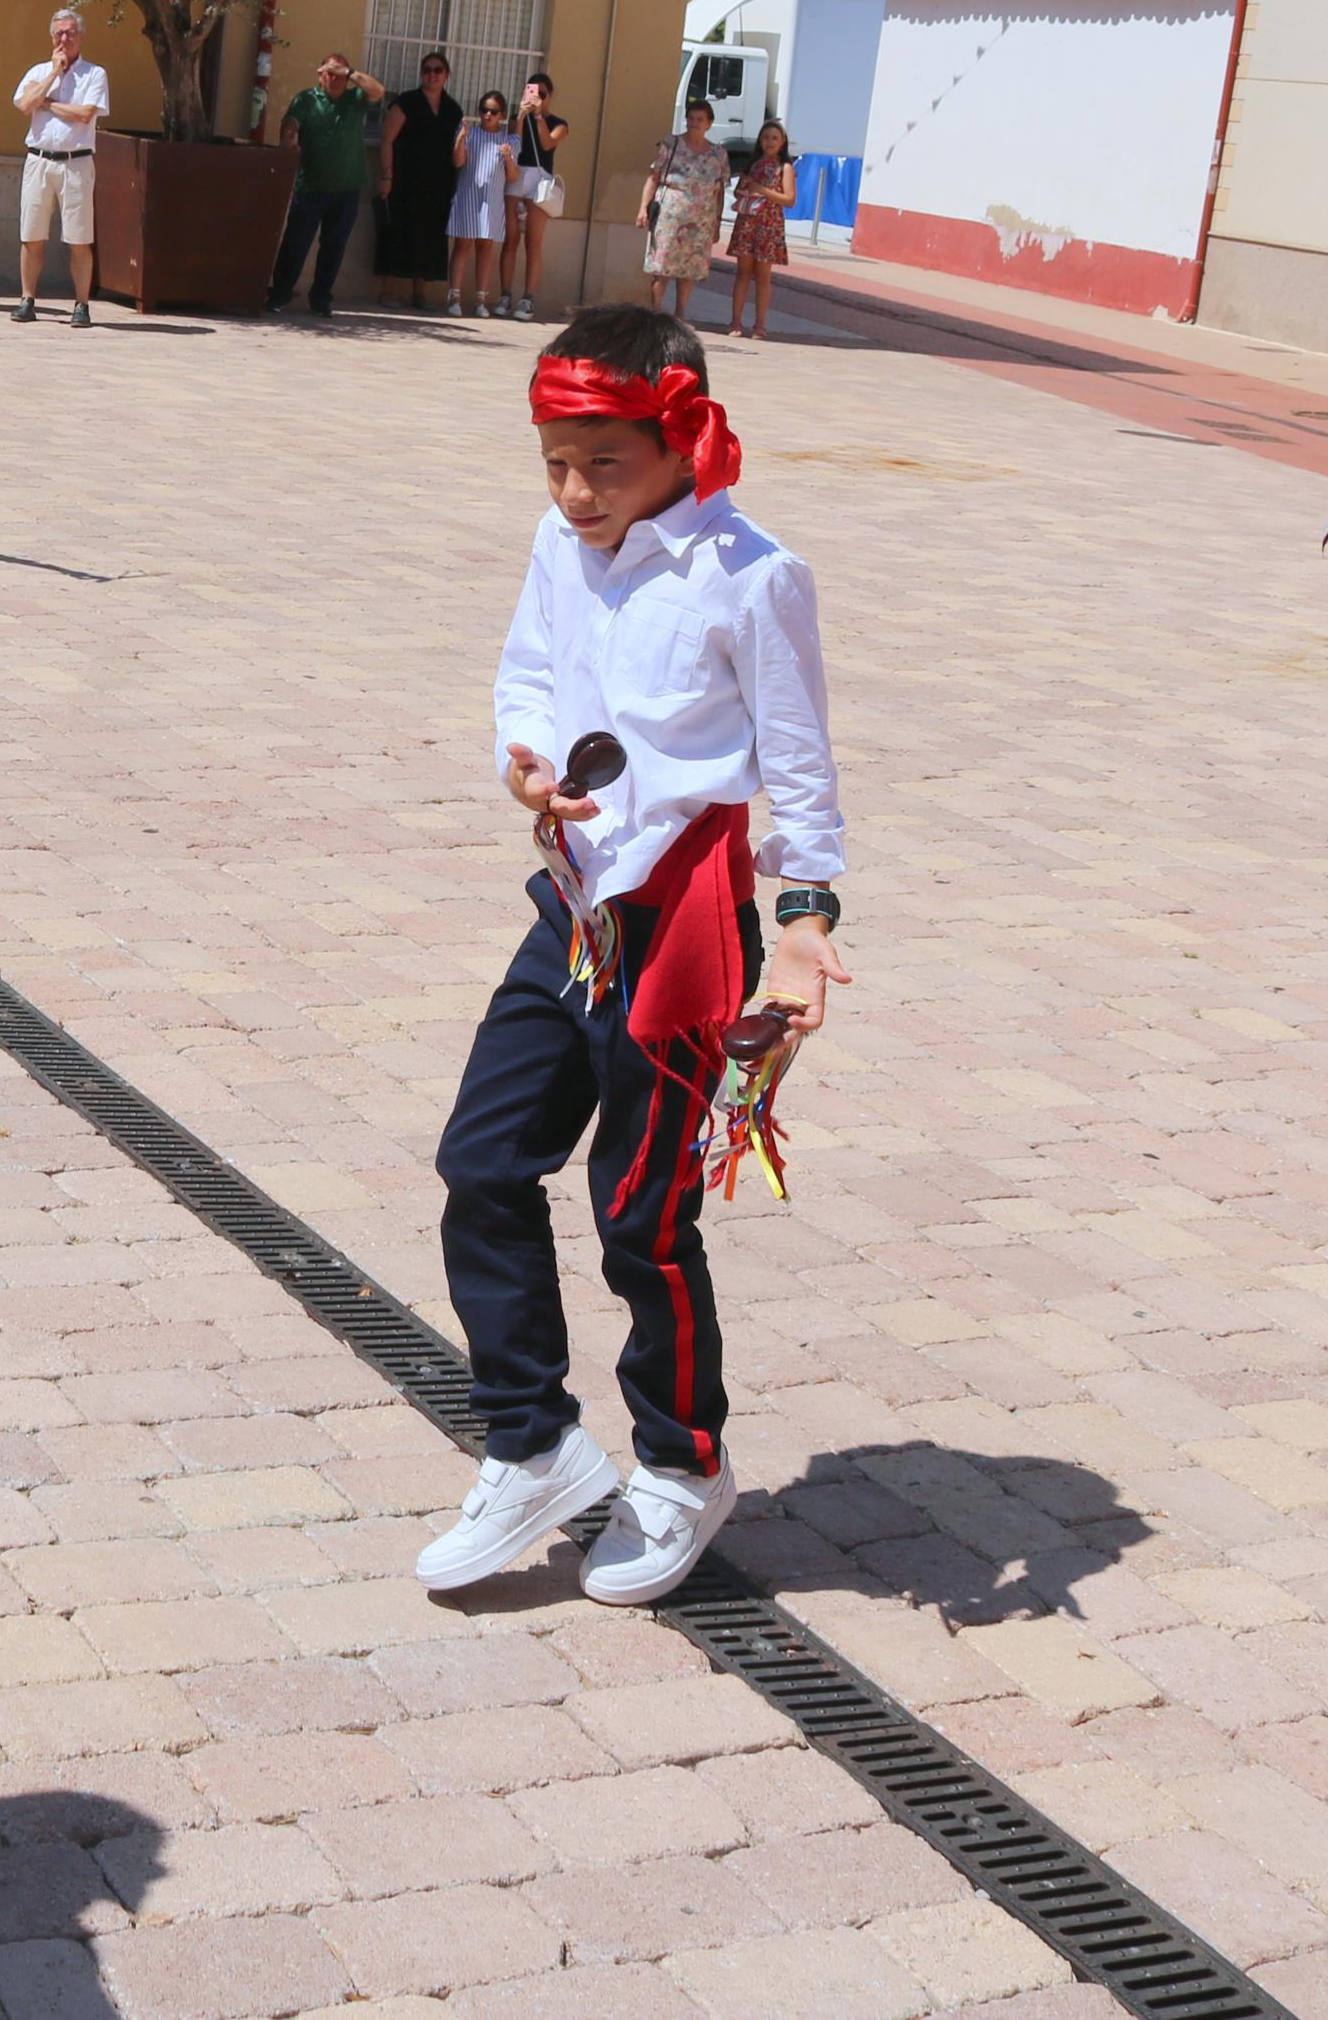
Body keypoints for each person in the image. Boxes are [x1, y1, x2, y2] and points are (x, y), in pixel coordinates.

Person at [423, 304, 846, 1609]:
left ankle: (680, 1459)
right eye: (552, 457)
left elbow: (796, 765)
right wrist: (528, 758)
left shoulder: (750, 574)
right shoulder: (561, 544)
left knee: (637, 1213)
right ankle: (531, 1438)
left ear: (681, 433)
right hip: (577, 912)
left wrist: (804, 923)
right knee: (479, 1158)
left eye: (601, 460)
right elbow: (529, 672)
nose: (571, 488)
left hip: (686, 927)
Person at [261, 50, 382, 317]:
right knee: (296, 243)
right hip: (310, 187)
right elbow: (291, 123)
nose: (334, 78)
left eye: (340, 74)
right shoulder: (306, 99)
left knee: (334, 246)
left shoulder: (355, 99)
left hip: (347, 188)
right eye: (330, 72)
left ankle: (321, 300)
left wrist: (350, 73)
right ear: (320, 75)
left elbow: (377, 91)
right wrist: (288, 139)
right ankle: (279, 295)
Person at [12, 8, 111, 328]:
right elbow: (25, 104)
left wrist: (48, 104)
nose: (64, 39)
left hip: (76, 163)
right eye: (58, 34)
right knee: (32, 235)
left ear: (81, 36)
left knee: (79, 238)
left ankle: (81, 304)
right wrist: (53, 75)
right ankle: (27, 299)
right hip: (38, 161)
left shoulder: (95, 74)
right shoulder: (38, 71)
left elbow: (85, 114)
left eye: (70, 33)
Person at [377, 51, 463, 303]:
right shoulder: (406, 102)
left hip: (438, 184)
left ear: (446, 75)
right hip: (404, 180)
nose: (432, 75)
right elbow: (386, 140)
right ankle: (386, 292)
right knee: (396, 233)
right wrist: (386, 175)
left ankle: (419, 294)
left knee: (429, 236)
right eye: (427, 69)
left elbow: (457, 150)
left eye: (438, 70)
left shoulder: (452, 109)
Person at [640, 100, 728, 319]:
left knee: (690, 267)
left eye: (700, 119)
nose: (694, 123)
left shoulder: (718, 154)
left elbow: (720, 190)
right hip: (670, 214)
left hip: (701, 219)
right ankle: (656, 313)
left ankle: (680, 314)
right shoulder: (672, 144)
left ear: (709, 123)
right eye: (691, 118)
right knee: (662, 265)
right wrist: (643, 208)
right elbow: (654, 177)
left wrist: (717, 221)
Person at [444, 90, 515, 319]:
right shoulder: (470, 134)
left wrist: (508, 158)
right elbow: (458, 162)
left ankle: (480, 299)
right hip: (468, 195)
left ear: (501, 114)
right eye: (484, 110)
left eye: (493, 111)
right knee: (462, 244)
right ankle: (454, 296)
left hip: (492, 200)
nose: (487, 115)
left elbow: (512, 176)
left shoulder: (510, 141)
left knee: (486, 247)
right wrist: (461, 138)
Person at [726, 119, 795, 341]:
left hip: (769, 224)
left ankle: (760, 324)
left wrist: (762, 190)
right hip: (747, 222)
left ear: (782, 142)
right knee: (742, 273)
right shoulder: (752, 164)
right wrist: (745, 186)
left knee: (763, 276)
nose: (770, 142)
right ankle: (735, 321)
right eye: (766, 137)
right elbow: (737, 193)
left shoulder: (785, 168)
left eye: (775, 138)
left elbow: (789, 199)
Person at [505, 73, 566, 325]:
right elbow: (514, 141)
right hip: (518, 174)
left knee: (533, 241)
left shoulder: (558, 122)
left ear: (550, 96)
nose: (536, 98)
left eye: (542, 94)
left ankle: (528, 297)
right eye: (533, 92)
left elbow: (548, 144)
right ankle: (505, 294)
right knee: (510, 238)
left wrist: (539, 116)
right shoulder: (518, 117)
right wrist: (521, 115)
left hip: (540, 179)